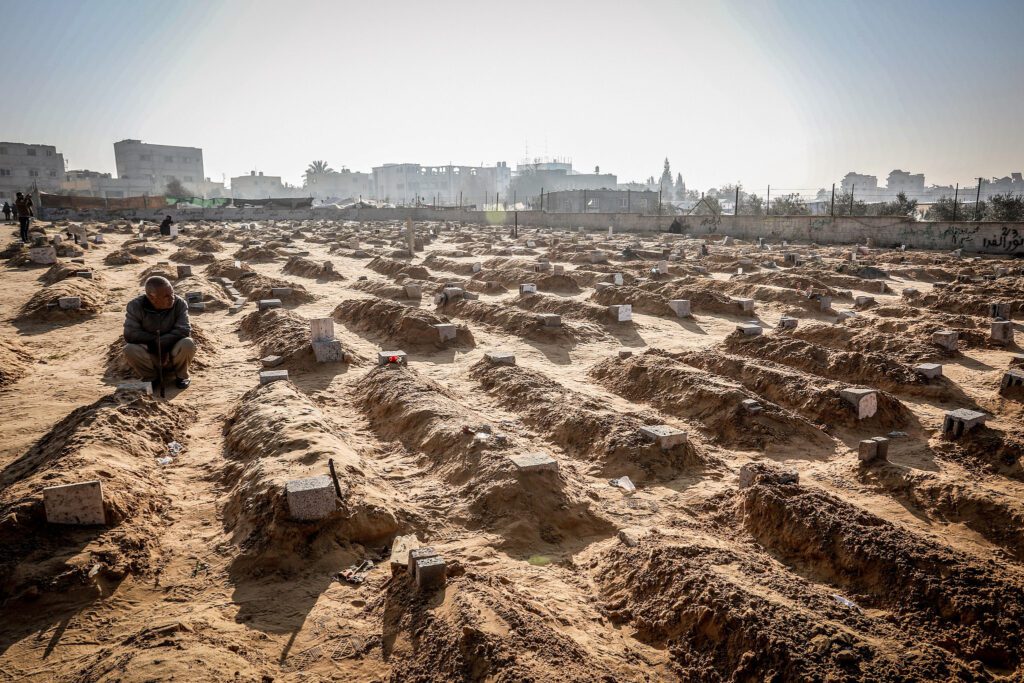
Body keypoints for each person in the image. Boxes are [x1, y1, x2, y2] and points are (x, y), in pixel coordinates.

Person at [123, 276, 196, 390]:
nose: (171, 297)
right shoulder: (135, 306)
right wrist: (154, 344)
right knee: (130, 349)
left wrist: (162, 344)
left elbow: (183, 330)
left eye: (172, 293)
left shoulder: (179, 304)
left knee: (187, 343)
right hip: (150, 354)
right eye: (166, 296)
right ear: (152, 297)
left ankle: (181, 376)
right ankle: (151, 378)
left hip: (173, 353)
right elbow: (130, 333)